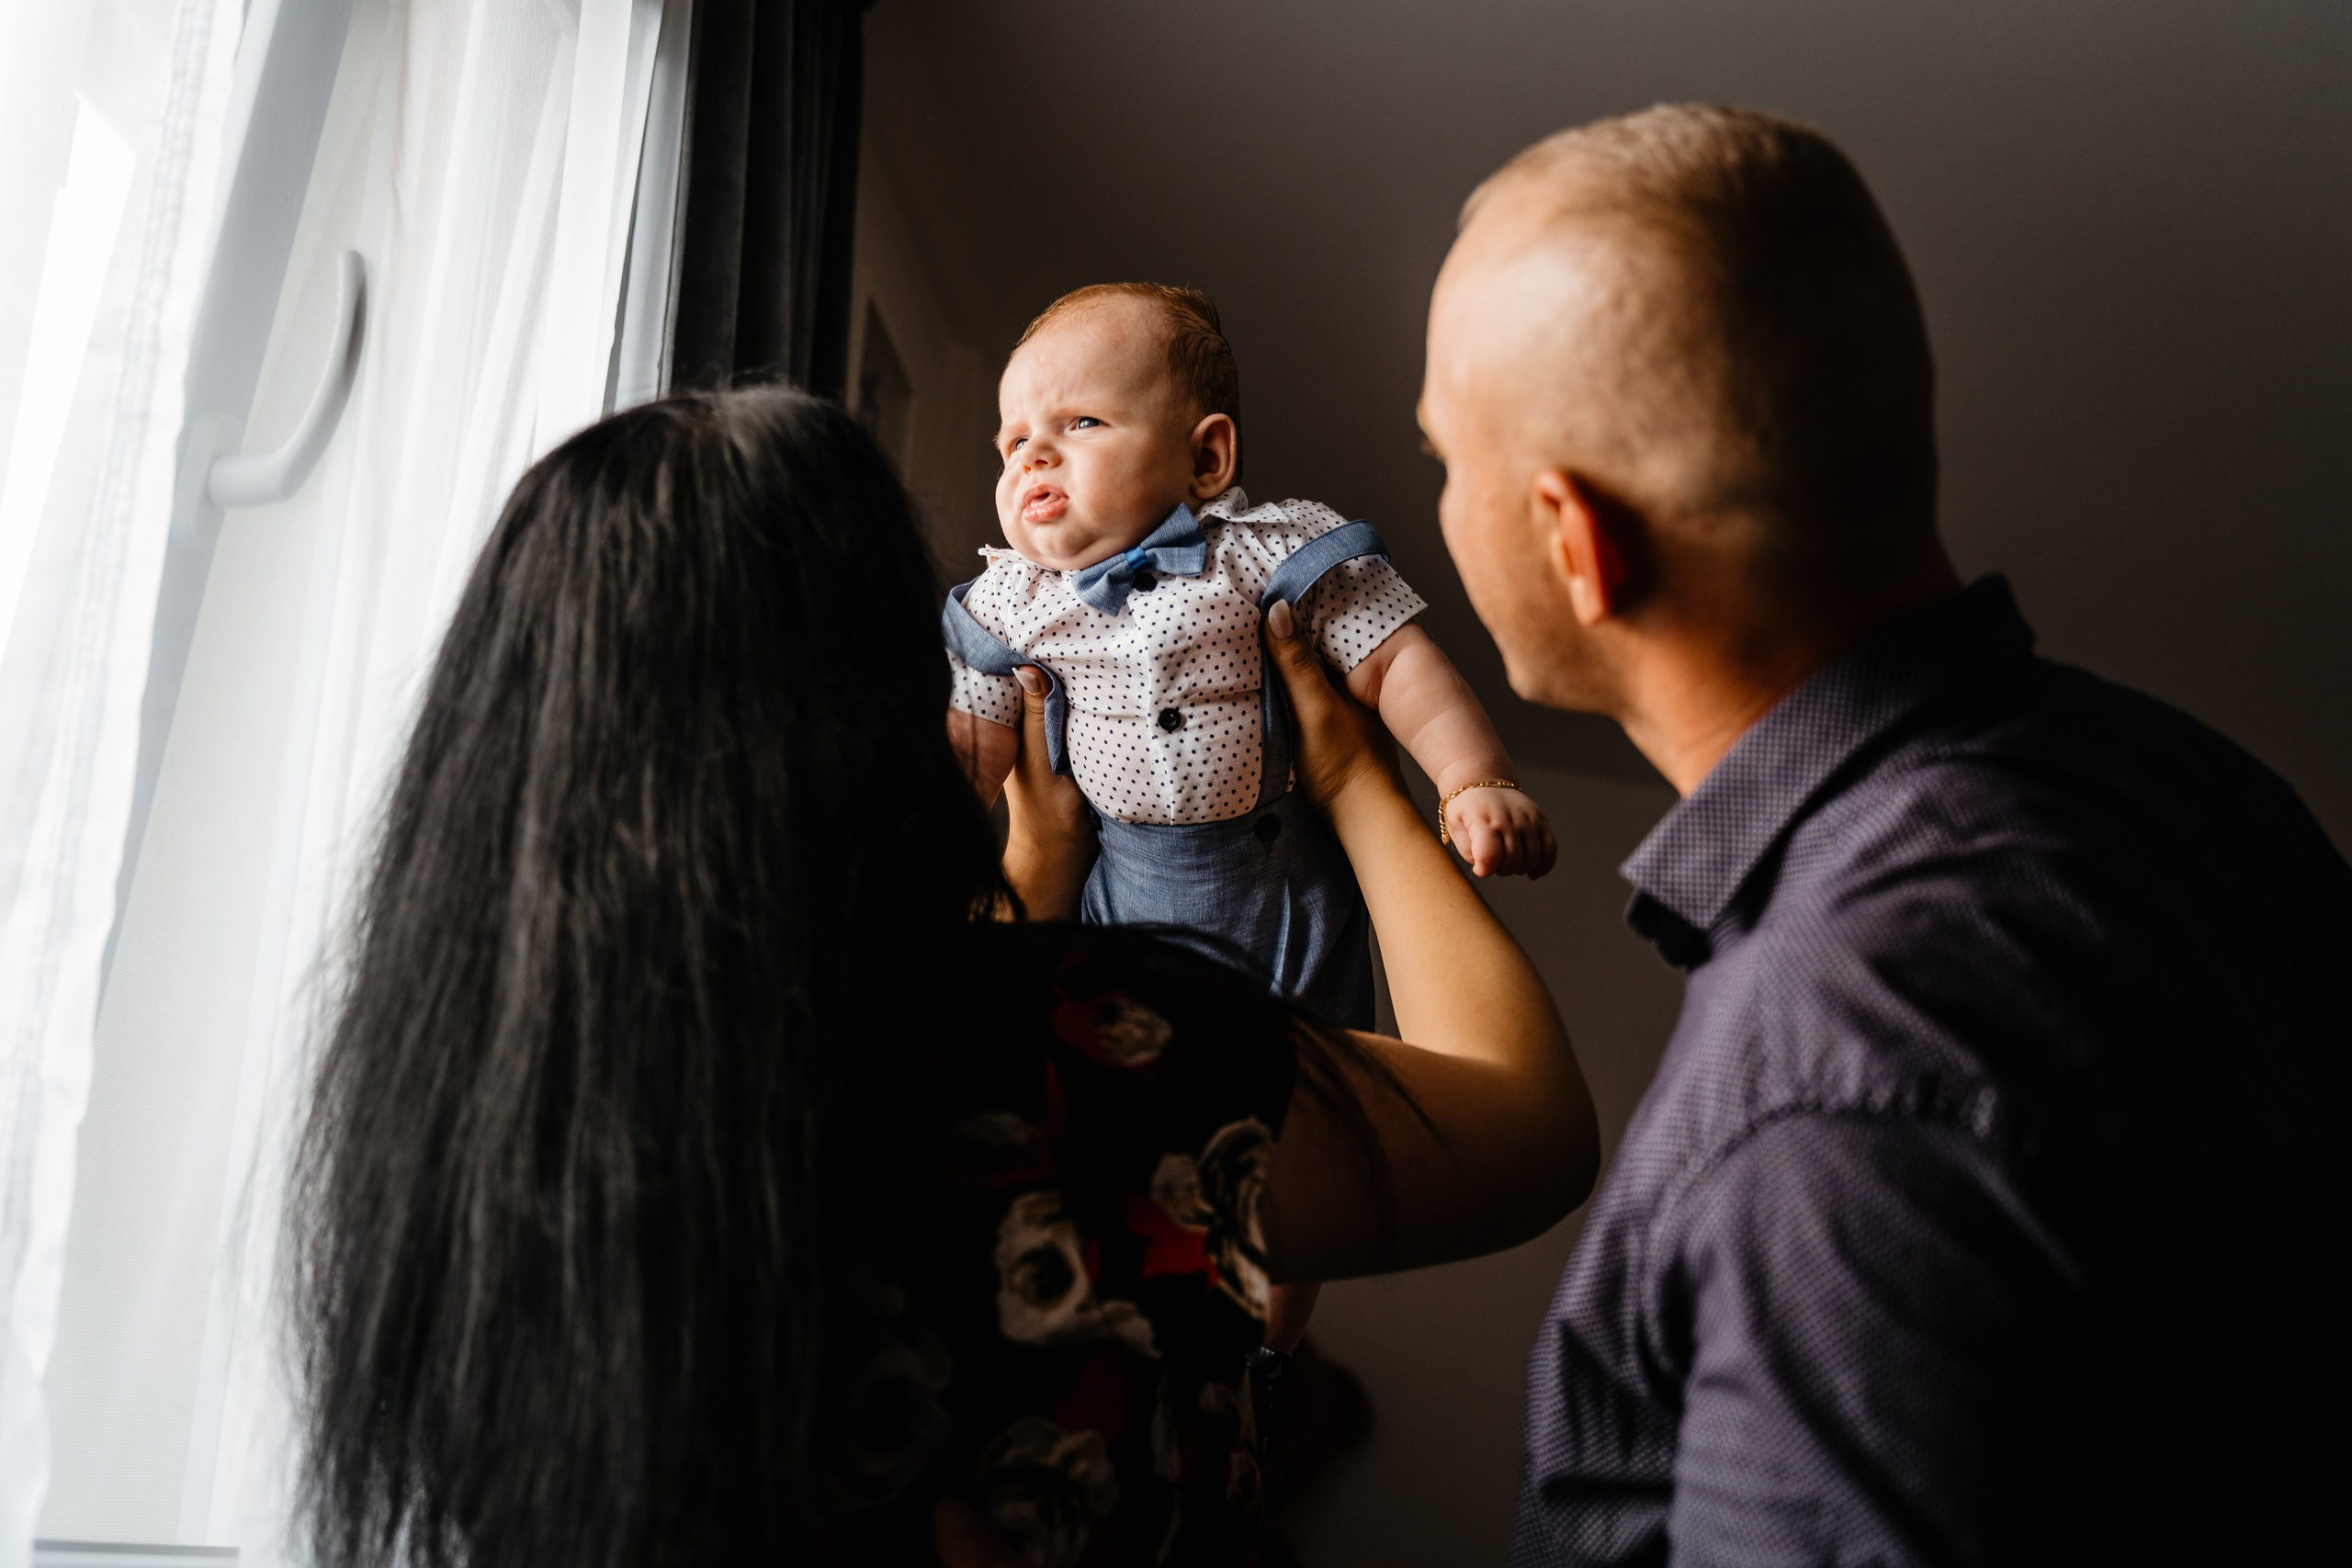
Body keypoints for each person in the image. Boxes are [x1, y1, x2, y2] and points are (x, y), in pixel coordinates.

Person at [286, 387, 1599, 1568]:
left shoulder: (452, 1136)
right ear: (871, 719)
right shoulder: (1096, 1050)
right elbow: (1527, 1126)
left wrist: (1032, 875)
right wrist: (1357, 778)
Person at [1411, 105, 2350, 1563]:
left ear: (1574, 541)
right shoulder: (2202, 790)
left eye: (1444, 459)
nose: (1436, 503)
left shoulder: (1845, 1074)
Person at [945, 282, 1556, 1032]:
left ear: (1206, 457)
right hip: (1122, 898)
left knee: (1312, 1057)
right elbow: (970, 737)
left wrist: (1472, 778)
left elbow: (1397, 661)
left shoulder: (1264, 553)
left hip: (1283, 892)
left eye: (1082, 422)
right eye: (1014, 442)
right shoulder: (1015, 599)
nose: (1034, 455)